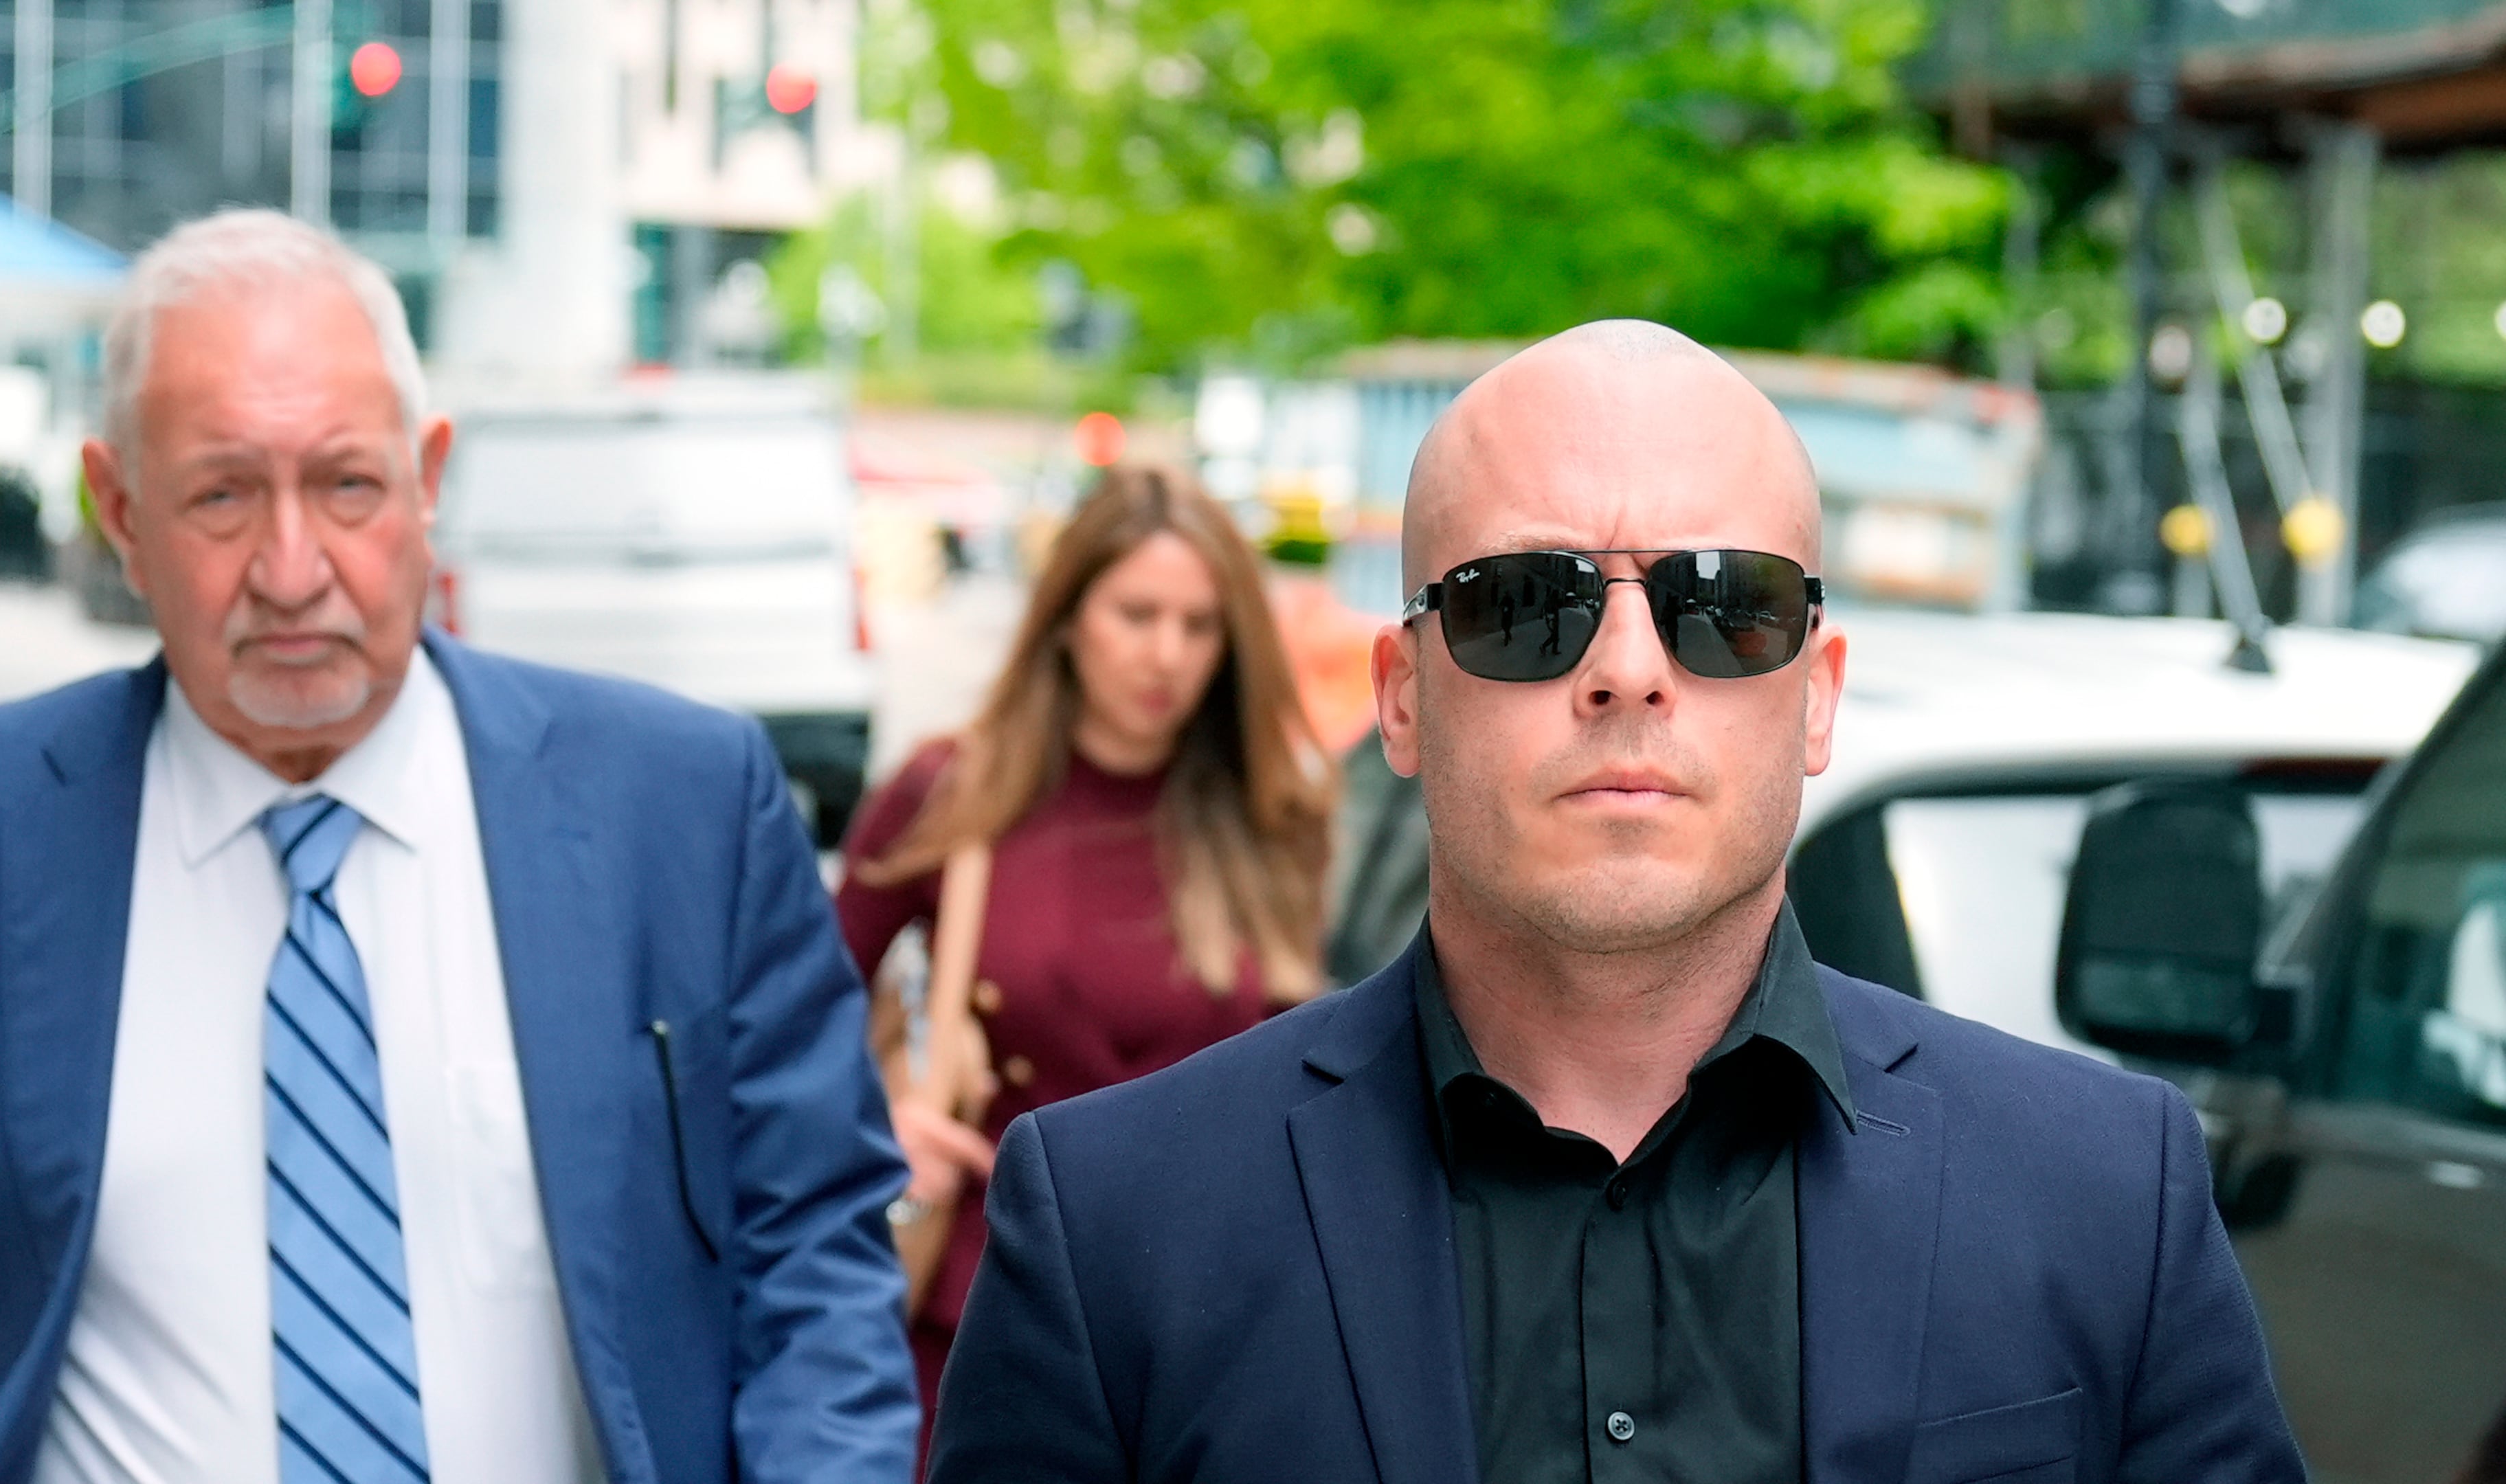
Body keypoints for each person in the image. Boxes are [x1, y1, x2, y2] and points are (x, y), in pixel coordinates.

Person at [928, 323, 2305, 1483]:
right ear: (1402, 696)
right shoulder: (1116, 1226)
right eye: (1529, 604)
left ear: (1815, 694)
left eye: (1728, 604)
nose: (1631, 670)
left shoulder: (2111, 1194)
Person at [0, 210, 916, 1483]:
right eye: (222, 494)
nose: (293, 568)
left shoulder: (682, 812)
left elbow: (811, 1257)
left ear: (430, 482)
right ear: (118, 512)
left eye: (347, 485)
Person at [834, 465, 1334, 1439]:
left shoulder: (1273, 818)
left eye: (1200, 626)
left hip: (1213, 1324)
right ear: (1066, 618)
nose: (1167, 655)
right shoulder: (955, 793)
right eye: (1136, 614)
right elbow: (789, 1011)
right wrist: (877, 1126)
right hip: (985, 1308)